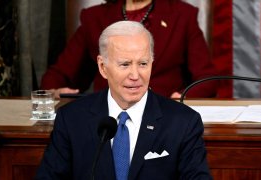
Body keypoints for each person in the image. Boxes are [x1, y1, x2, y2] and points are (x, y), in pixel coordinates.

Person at [36, 21, 211, 179]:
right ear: (103, 67)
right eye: (125, 64)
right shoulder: (71, 119)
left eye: (143, 64)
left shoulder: (183, 122)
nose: (135, 76)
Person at [40, 0, 218, 99]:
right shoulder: (94, 18)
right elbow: (56, 77)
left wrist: (181, 97)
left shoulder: (182, 15)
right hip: (111, 121)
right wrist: (54, 92)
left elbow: (207, 80)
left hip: (164, 119)